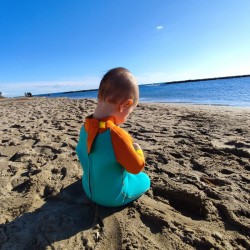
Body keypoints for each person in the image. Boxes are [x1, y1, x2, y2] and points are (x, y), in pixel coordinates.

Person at [76, 67, 150, 207]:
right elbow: (136, 167)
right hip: (112, 198)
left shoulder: (85, 127)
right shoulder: (117, 135)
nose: (127, 117)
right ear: (125, 105)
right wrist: (138, 151)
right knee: (144, 179)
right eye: (129, 112)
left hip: (88, 189)